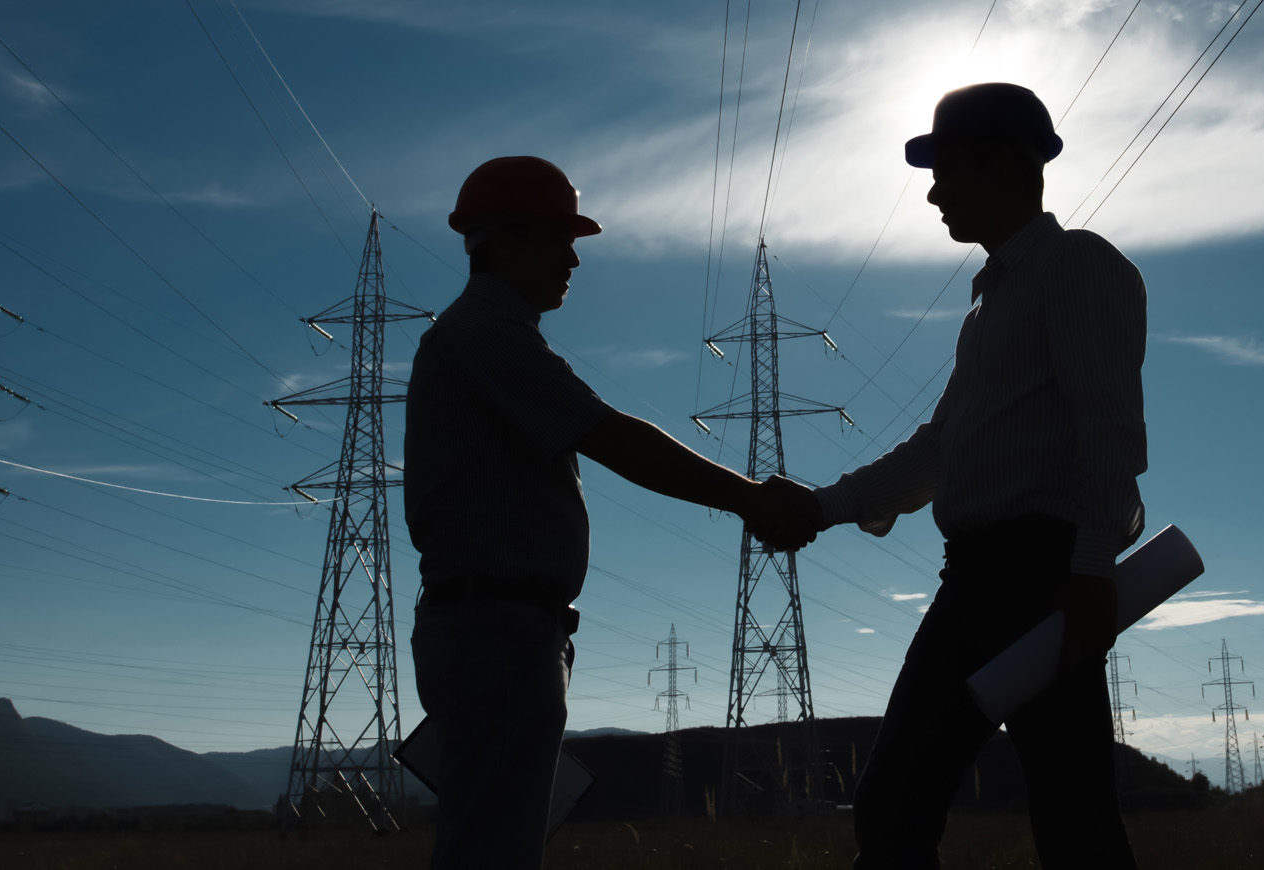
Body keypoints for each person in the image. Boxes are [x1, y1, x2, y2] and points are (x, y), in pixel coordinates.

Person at [767, 83, 1149, 868]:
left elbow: (1108, 426)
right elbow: (940, 451)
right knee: (892, 807)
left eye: (947, 169)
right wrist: (823, 507)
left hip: (1044, 579)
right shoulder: (986, 308)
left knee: (1073, 820)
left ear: (1003, 167)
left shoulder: (1076, 267)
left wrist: (1087, 572)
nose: (934, 191)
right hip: (974, 584)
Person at [403, 156, 816, 869]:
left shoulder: (489, 338)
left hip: (500, 627)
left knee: (494, 843)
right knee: (493, 852)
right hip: (495, 632)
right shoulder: (483, 337)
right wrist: (751, 499)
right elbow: (611, 437)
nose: (572, 260)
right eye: (558, 240)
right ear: (501, 239)